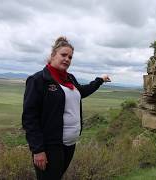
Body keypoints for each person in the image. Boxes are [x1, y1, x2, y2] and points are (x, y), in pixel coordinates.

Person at [22, 36, 110, 180]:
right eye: (63, 55)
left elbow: (82, 91)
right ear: (52, 55)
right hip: (50, 145)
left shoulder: (69, 78)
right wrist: (38, 150)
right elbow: (29, 118)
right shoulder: (38, 80)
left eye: (70, 57)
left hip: (69, 144)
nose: (67, 59)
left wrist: (99, 80)